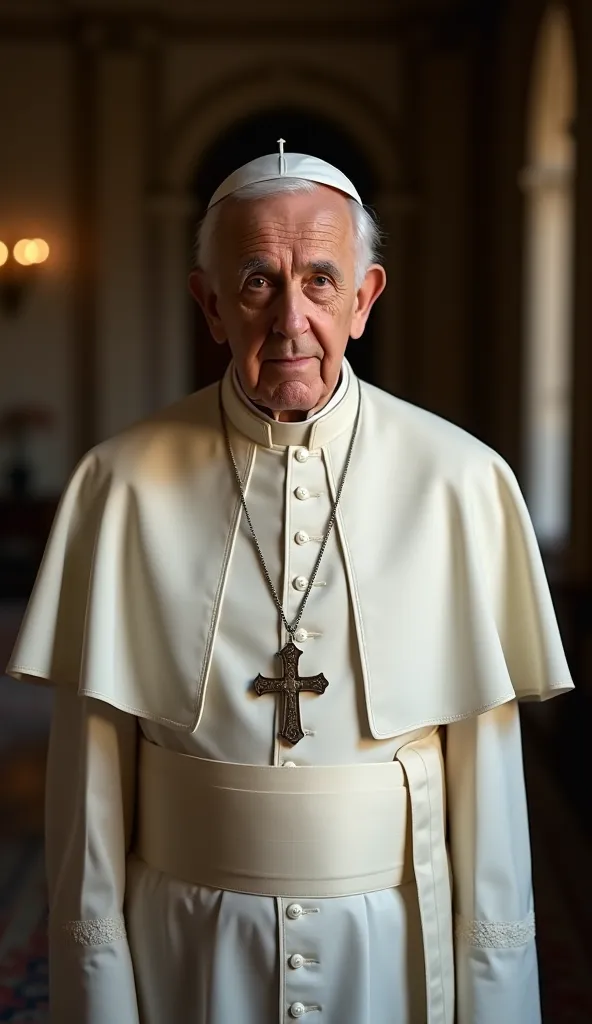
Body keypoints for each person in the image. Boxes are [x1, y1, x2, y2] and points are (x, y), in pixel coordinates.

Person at [7, 143, 573, 1024]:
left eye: (319, 279)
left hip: (388, 947)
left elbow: (491, 794)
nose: (291, 319)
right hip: (185, 947)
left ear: (364, 298)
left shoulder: (462, 482)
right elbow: (87, 796)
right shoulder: (117, 484)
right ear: (209, 305)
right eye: (257, 281)